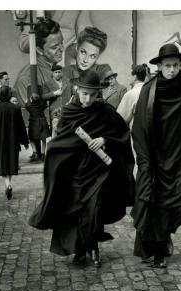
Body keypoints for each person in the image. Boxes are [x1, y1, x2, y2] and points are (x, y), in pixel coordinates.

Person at [28, 70, 135, 267]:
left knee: (94, 209)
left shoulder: (105, 111)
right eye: (85, 94)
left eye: (93, 95)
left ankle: (92, 246)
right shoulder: (69, 112)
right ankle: (79, 249)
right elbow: (61, 140)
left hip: (98, 171)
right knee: (76, 211)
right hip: (75, 170)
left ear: (98, 94)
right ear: (77, 90)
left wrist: (104, 140)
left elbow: (121, 134)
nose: (88, 99)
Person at [131, 43, 181, 268]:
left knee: (171, 205)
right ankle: (155, 252)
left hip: (179, 159)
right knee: (151, 204)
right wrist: (144, 159)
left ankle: (161, 245)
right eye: (168, 65)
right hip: (153, 159)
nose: (172, 69)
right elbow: (138, 127)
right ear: (159, 66)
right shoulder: (150, 90)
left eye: (176, 65)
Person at [0, 86, 29, 199]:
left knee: (2, 164)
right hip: (13, 140)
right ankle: (8, 184)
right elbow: (21, 126)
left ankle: (8, 185)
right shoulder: (16, 108)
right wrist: (25, 141)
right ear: (10, 94)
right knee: (10, 163)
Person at [14, 18, 64, 109]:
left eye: (62, 43)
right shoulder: (26, 79)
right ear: (39, 50)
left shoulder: (58, 69)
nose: (62, 49)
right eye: (54, 47)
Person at [62, 26, 111, 101]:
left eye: (93, 56)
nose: (86, 60)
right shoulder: (65, 72)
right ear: (77, 48)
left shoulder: (103, 70)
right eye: (83, 52)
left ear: (98, 56)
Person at [117, 64, 147, 178]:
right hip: (153, 134)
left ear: (134, 77)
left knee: (137, 163)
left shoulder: (131, 94)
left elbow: (120, 119)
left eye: (130, 75)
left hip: (137, 135)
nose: (128, 78)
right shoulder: (151, 91)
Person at [43, 63, 69, 137]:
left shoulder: (67, 82)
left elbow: (72, 93)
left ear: (62, 73)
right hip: (55, 111)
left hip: (66, 110)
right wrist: (54, 93)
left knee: (66, 131)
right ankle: (54, 146)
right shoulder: (47, 83)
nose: (57, 74)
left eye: (59, 72)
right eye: (56, 72)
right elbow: (43, 97)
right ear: (52, 73)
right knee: (55, 130)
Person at [25, 90, 51, 162]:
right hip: (42, 122)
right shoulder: (42, 105)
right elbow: (45, 104)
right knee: (43, 139)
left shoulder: (29, 106)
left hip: (34, 123)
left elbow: (26, 105)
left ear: (31, 99)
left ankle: (35, 152)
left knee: (32, 139)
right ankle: (43, 154)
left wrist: (28, 101)